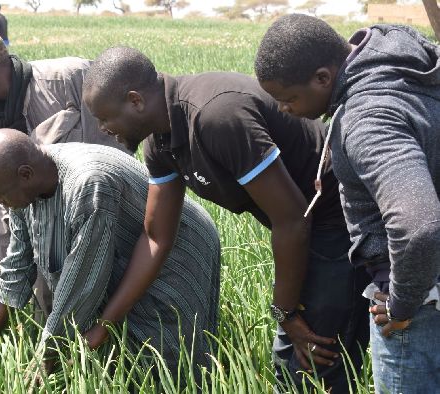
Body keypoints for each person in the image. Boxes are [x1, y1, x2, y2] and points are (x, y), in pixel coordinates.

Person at [82, 46, 370, 393]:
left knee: (314, 368)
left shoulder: (215, 116)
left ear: (135, 101)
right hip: (306, 229)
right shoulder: (161, 144)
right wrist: (103, 326)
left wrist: (286, 313)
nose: (103, 128)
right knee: (295, 367)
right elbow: (156, 238)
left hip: (339, 220)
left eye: (105, 118)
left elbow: (294, 220)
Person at [255, 14, 440, 393]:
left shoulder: (367, 119)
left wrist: (402, 305)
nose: (285, 110)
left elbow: (418, 224)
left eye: (289, 98)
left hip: (417, 302)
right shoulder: (400, 57)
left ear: (323, 78)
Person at [0, 128, 221, 377]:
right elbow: (18, 257)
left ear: (25, 175)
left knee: (164, 354)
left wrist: (45, 358)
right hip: (124, 256)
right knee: (117, 355)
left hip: (177, 249)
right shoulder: (23, 185)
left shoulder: (88, 184)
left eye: (1, 194)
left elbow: (81, 284)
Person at [0, 21, 128, 316]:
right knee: (59, 325)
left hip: (102, 226)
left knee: (113, 319)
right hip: (45, 245)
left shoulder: (69, 79)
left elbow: (117, 149)